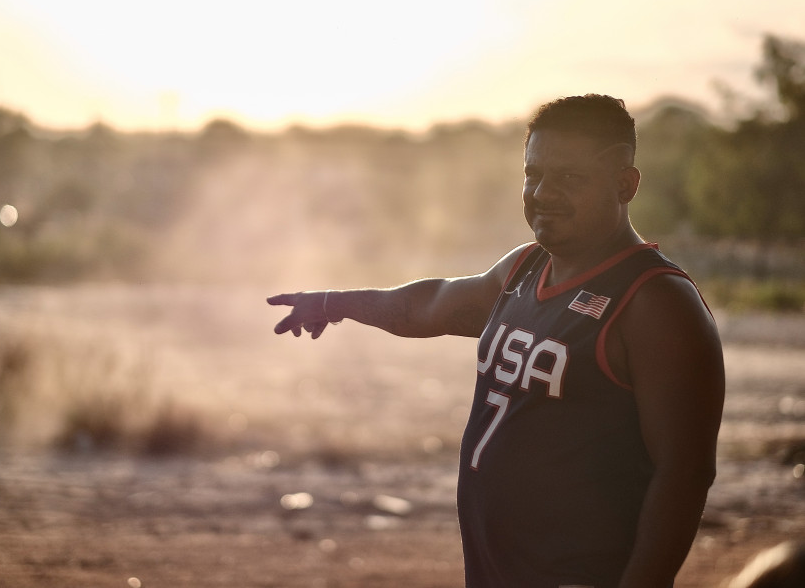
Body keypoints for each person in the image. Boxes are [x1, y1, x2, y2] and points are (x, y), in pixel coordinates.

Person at [268, 94, 725, 588]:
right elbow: (429, 305)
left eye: (570, 178)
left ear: (625, 184)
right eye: (534, 174)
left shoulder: (653, 302)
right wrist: (335, 303)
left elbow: (683, 474)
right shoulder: (525, 268)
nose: (544, 193)